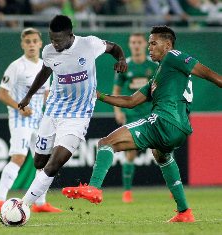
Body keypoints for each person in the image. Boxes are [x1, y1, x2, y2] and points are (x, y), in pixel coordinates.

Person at [62, 25, 222, 222]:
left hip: (164, 121)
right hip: (180, 128)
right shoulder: (159, 75)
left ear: (168, 45)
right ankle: (184, 212)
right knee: (161, 156)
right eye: (149, 43)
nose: (149, 47)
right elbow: (130, 101)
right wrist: (98, 96)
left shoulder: (174, 56)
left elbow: (209, 74)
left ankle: (94, 188)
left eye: (154, 43)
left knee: (106, 143)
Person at [17, 15, 127, 207]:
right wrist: (29, 96)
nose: (54, 44)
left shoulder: (89, 44)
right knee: (39, 163)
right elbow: (45, 72)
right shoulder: (49, 51)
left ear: (70, 35)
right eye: (51, 39)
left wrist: (121, 59)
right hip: (53, 111)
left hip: (78, 116)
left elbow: (114, 47)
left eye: (58, 40)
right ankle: (41, 187)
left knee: (53, 164)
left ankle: (23, 205)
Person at [0, 28, 61, 213]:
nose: (31, 44)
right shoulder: (16, 66)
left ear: (40, 43)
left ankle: (40, 203)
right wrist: (19, 107)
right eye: (27, 41)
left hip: (39, 120)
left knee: (42, 161)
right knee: (19, 158)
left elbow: (46, 94)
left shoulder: (45, 67)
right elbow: (1, 93)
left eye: (34, 41)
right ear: (22, 44)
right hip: (20, 120)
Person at [112, 32, 157, 203]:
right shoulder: (124, 66)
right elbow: (116, 91)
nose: (136, 45)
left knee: (161, 150)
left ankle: (172, 187)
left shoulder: (153, 65)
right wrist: (118, 111)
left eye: (139, 42)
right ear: (130, 45)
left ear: (144, 44)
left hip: (152, 113)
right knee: (130, 152)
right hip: (132, 115)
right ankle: (127, 191)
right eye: (133, 42)